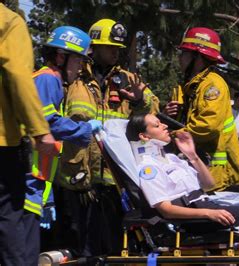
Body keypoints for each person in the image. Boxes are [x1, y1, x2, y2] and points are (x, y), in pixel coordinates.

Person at [56, 18, 159, 257]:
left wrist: (138, 100)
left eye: (118, 48)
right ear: (94, 47)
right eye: (110, 47)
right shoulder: (73, 78)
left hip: (114, 180)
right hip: (78, 178)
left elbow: (153, 113)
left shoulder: (129, 79)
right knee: (81, 248)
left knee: (116, 248)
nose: (116, 53)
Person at [21, 26, 102, 266]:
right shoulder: (48, 78)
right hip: (26, 178)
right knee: (22, 250)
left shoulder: (48, 81)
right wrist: (85, 130)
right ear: (60, 56)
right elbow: (48, 122)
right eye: (78, 59)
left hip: (34, 181)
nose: (81, 67)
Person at [0, 3, 57, 265]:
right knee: (8, 218)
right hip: (3, 142)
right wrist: (39, 130)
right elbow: (19, 77)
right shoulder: (8, 21)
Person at [164, 27, 239, 191]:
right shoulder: (187, 87)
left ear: (198, 57)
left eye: (185, 53)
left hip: (218, 175)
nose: (180, 58)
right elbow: (183, 123)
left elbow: (207, 127)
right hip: (198, 171)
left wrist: (171, 135)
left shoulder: (212, 85)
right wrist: (167, 115)